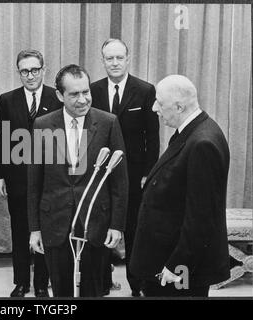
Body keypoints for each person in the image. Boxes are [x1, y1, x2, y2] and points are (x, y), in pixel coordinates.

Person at [28, 64, 128, 297]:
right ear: (60, 95)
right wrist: (34, 229)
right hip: (55, 223)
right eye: (74, 94)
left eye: (86, 92)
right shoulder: (42, 125)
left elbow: (120, 182)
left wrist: (117, 225)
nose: (83, 99)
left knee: (93, 290)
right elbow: (34, 183)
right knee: (62, 293)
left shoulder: (108, 123)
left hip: (95, 225)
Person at [129, 75, 230, 297]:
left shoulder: (203, 143)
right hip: (164, 258)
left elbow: (201, 219)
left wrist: (176, 267)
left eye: (160, 103)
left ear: (179, 106)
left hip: (177, 268)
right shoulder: (190, 132)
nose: (155, 108)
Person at [90, 38, 160, 296]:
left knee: (132, 230)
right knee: (98, 228)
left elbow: (152, 137)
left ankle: (136, 285)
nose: (115, 63)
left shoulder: (145, 90)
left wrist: (148, 173)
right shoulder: (92, 90)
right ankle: (101, 283)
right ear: (103, 61)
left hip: (133, 176)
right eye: (110, 58)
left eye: (120, 57)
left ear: (128, 58)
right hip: (100, 174)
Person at [0, 49, 59, 297]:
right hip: (17, 178)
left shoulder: (57, 98)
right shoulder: (7, 100)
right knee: (20, 230)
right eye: (24, 71)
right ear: (18, 72)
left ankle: (42, 284)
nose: (30, 75)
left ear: (44, 70)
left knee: (47, 230)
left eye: (34, 70)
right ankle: (21, 282)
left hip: (51, 179)